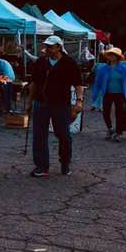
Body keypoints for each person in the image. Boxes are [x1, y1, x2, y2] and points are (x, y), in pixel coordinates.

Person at [27, 35, 84, 177]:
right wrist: (29, 101)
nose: (47, 48)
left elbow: (78, 84)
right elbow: (34, 83)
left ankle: (65, 163)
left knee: (63, 135)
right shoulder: (41, 62)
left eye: (50, 46)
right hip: (41, 102)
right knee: (39, 135)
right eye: (46, 46)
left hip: (61, 104)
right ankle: (41, 166)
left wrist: (79, 101)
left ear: (58, 47)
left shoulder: (69, 63)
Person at [91, 47, 126, 142]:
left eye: (113, 55)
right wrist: (94, 96)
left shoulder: (123, 68)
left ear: (117, 57)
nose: (111, 56)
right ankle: (110, 129)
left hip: (120, 94)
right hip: (107, 94)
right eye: (110, 54)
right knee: (105, 112)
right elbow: (97, 83)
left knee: (119, 114)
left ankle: (118, 132)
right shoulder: (103, 69)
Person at [0, 49, 17, 114]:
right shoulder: (3, 61)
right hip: (11, 79)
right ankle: (8, 109)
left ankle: (3, 108)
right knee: (7, 95)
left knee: (4, 94)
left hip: (7, 79)